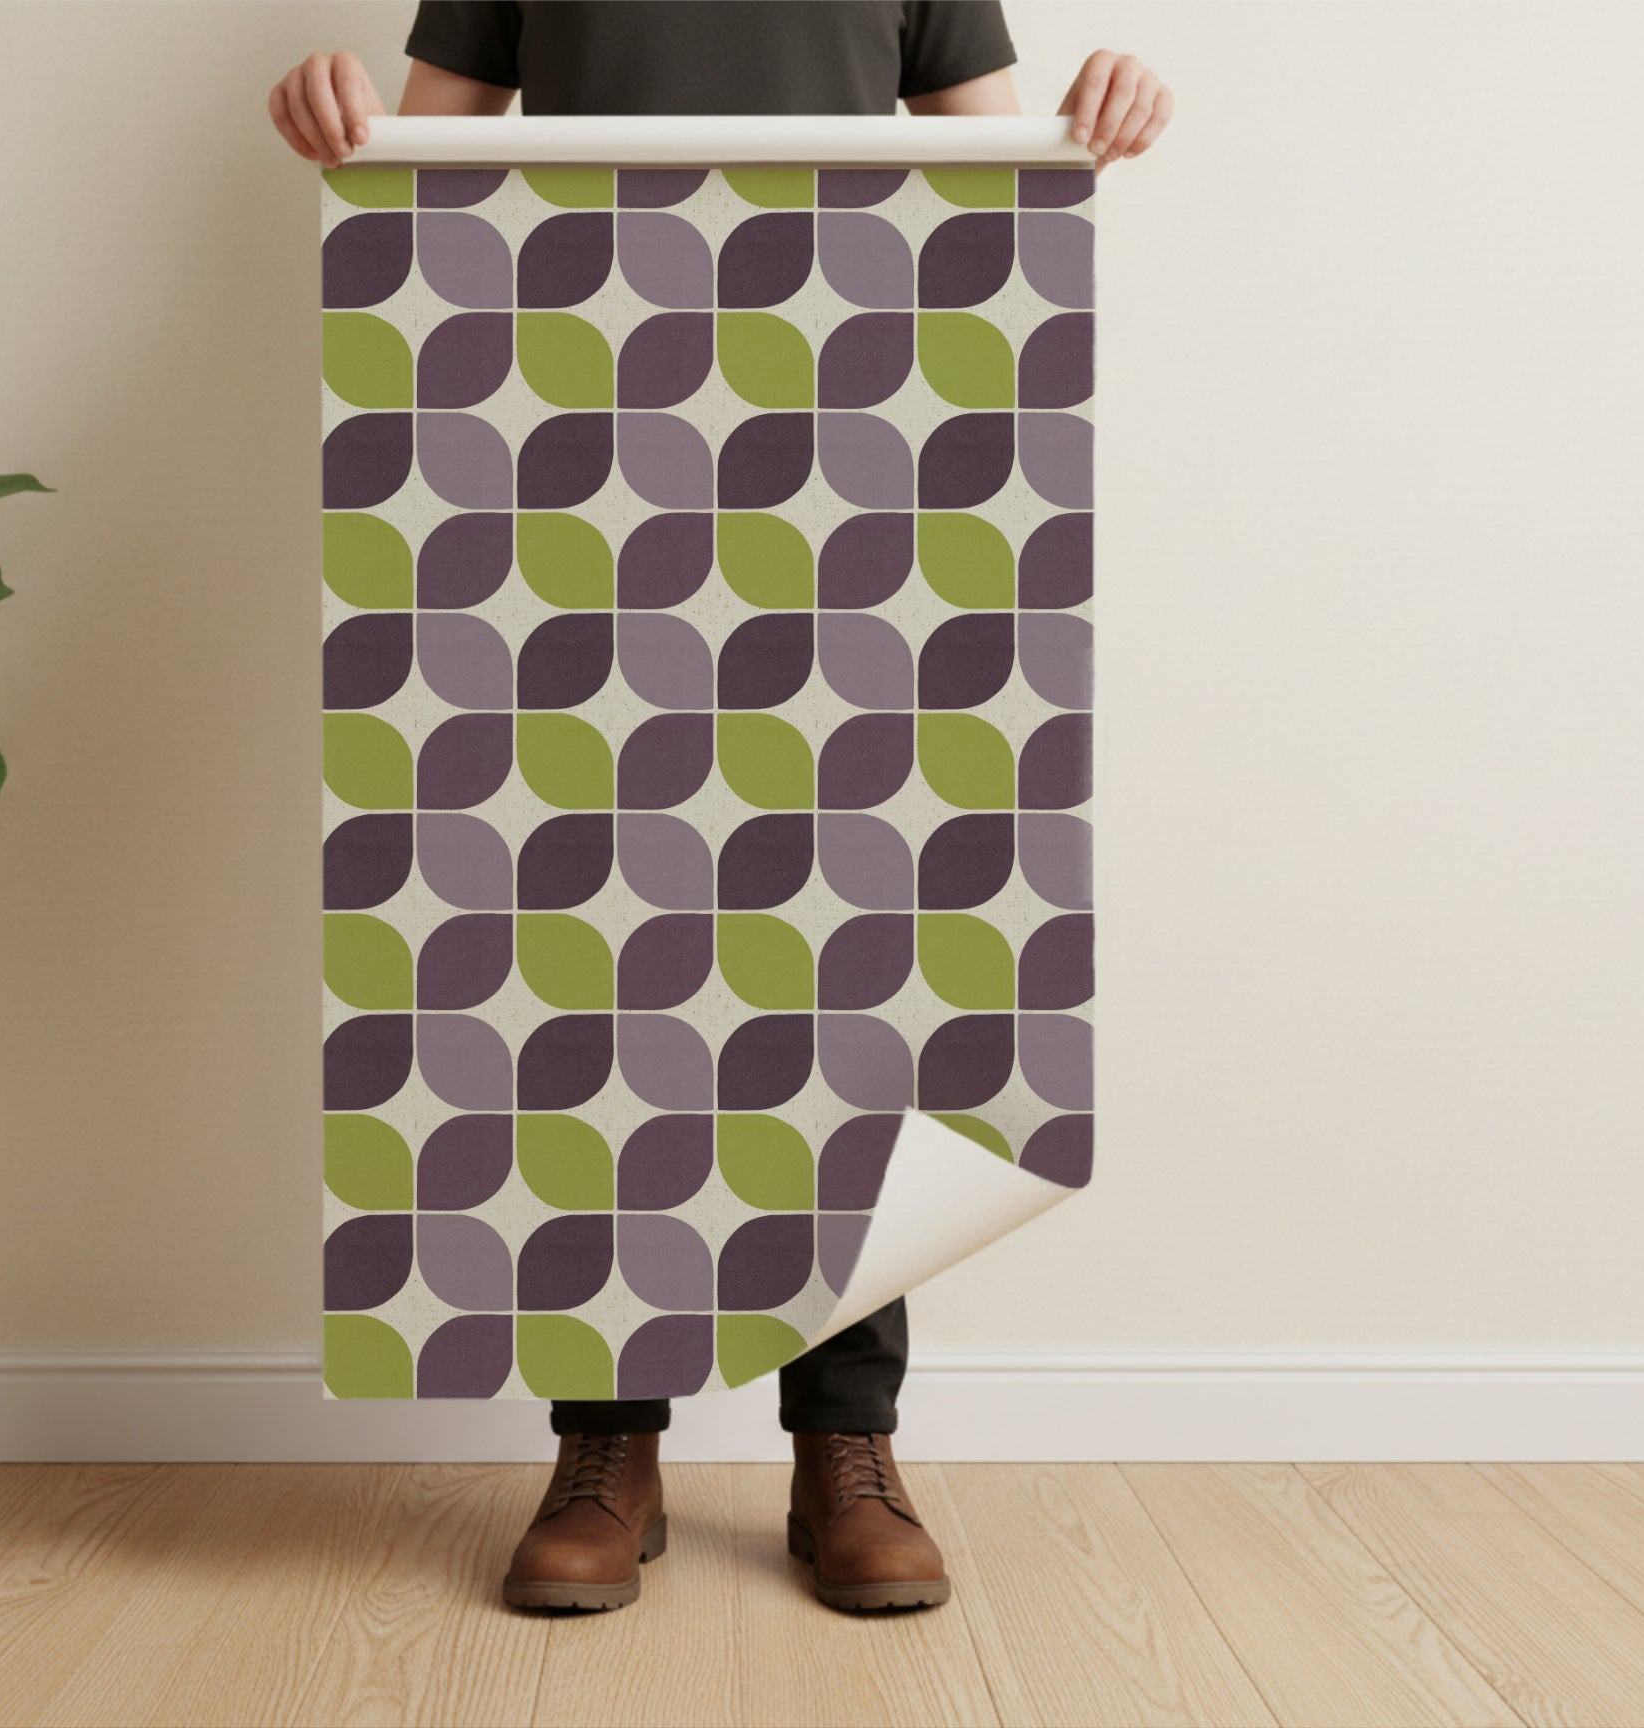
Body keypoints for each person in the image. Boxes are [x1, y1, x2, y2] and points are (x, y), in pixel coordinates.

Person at [281, 2, 1168, 1615]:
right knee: (585, 926)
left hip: (854, 438)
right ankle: (607, 1445)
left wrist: (1092, 117)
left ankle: (848, 1443)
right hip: (572, 436)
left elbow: (992, 175)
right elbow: (433, 164)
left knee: (847, 935)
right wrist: (342, 121)